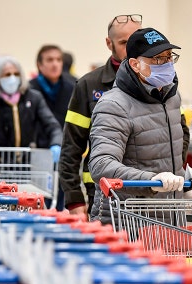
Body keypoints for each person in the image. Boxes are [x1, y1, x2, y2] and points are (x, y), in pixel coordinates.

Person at [88, 27, 192, 224]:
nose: (166, 64)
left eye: (169, 57)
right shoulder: (114, 105)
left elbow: (167, 157)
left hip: (167, 220)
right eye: (157, 59)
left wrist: (184, 190)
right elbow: (101, 165)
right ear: (135, 64)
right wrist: (152, 181)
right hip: (125, 222)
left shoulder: (171, 98)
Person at [59, 14, 142, 217]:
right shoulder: (88, 85)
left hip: (150, 194)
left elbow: (177, 135)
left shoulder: (157, 82)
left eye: (136, 41)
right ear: (109, 43)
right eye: (123, 42)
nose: (131, 49)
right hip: (102, 195)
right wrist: (74, 199)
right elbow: (71, 147)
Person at [28, 44, 74, 210]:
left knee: (58, 205)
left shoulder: (71, 88)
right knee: (36, 203)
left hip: (63, 153)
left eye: (58, 59)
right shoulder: (29, 89)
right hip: (35, 155)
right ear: (40, 65)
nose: (55, 64)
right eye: (50, 60)